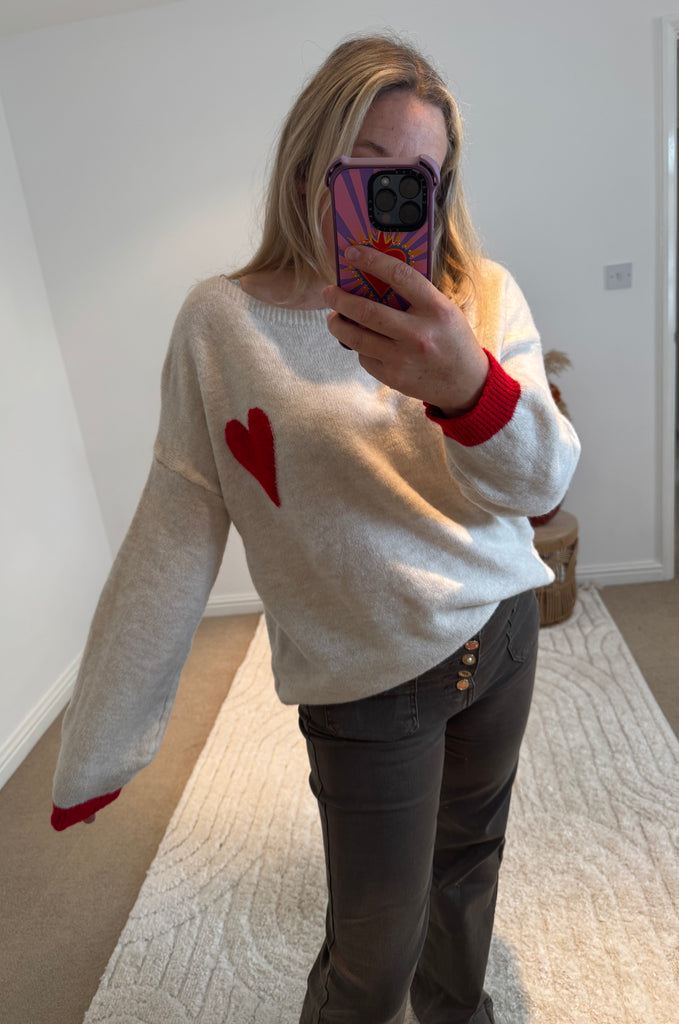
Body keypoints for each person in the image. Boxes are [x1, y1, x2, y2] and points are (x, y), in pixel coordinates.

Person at [51, 33, 580, 1024]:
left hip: (500, 634)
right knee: (373, 952)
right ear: (309, 165)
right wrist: (102, 743)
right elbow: (175, 526)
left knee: (468, 867)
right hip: (363, 682)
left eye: (418, 177)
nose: (394, 196)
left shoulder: (480, 295)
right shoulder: (221, 325)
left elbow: (543, 487)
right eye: (367, 166)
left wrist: (467, 384)